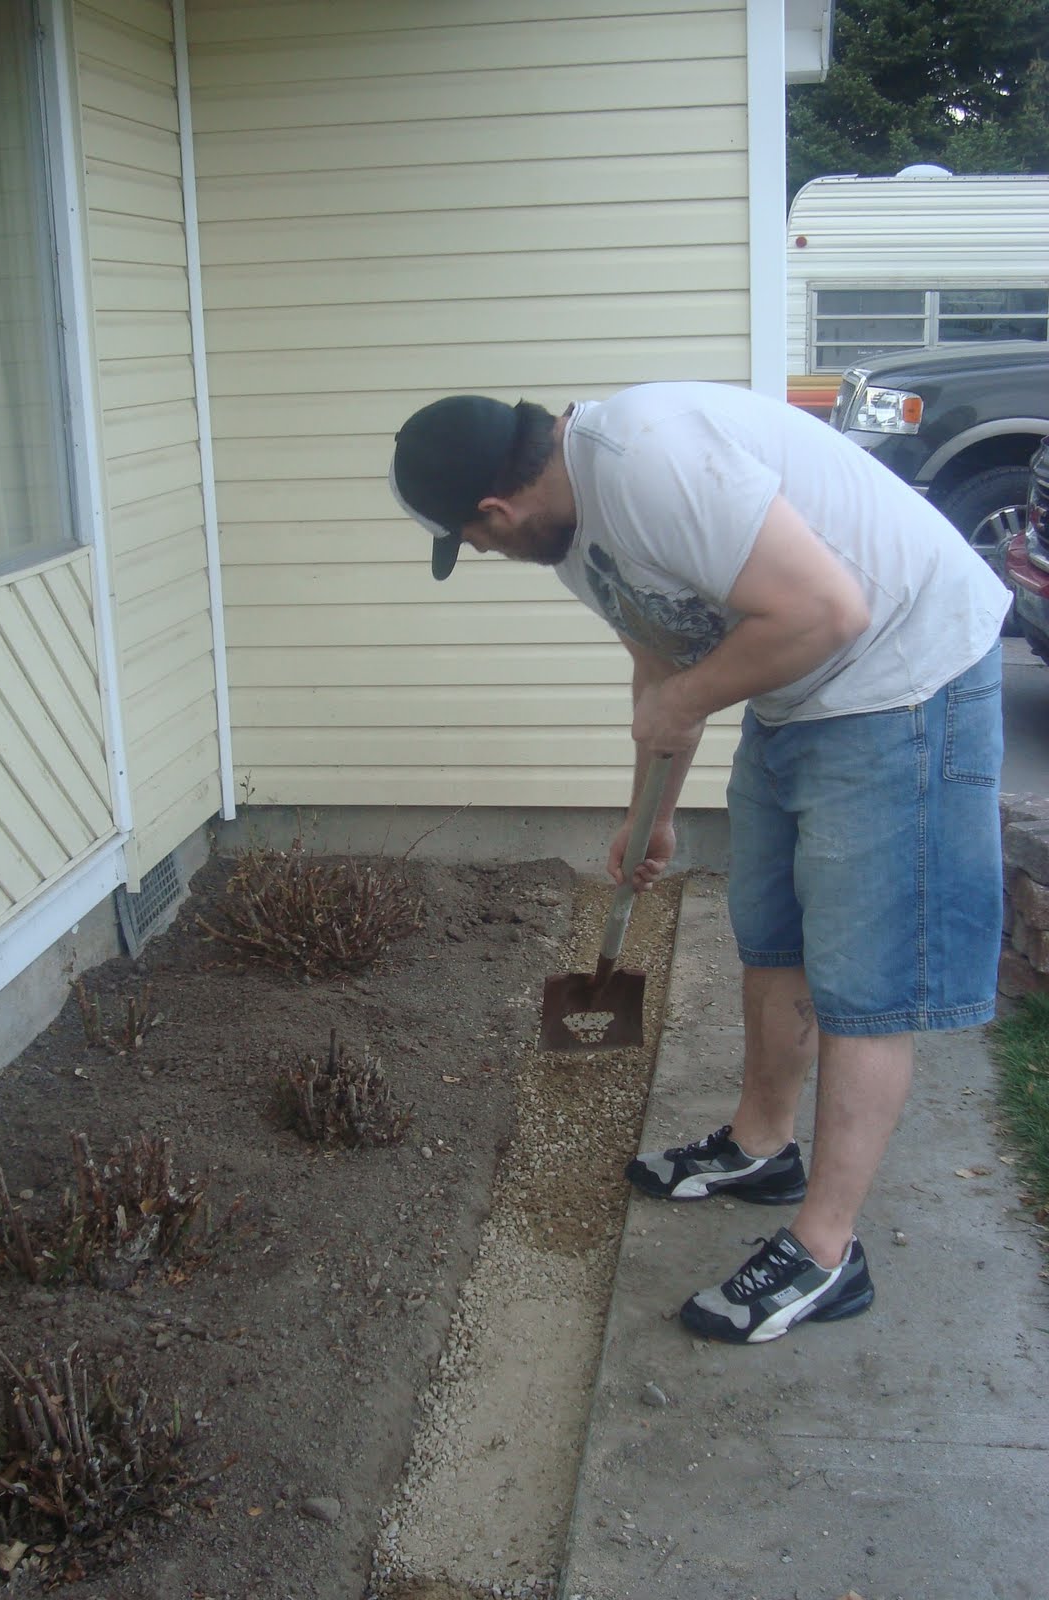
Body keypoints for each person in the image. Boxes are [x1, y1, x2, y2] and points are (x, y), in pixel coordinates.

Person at [388, 382, 1009, 1345]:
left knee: (868, 982)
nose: (482, 552)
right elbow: (664, 664)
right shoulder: (572, 536)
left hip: (905, 678)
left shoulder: (648, 462)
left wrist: (684, 705)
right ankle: (762, 1146)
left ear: (496, 511)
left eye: (471, 541)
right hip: (802, 693)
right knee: (774, 933)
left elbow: (828, 610)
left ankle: (827, 1252)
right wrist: (655, 812)